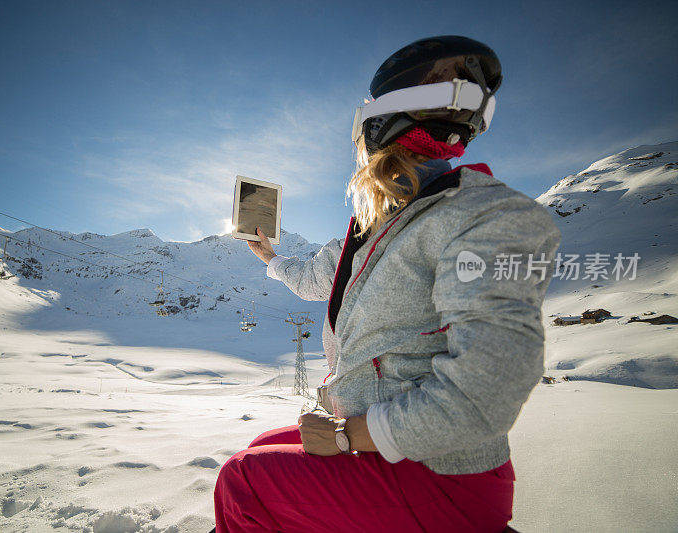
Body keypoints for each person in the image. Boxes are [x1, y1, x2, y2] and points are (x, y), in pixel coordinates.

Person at [213, 35, 561, 533]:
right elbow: (316, 280)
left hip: (442, 475)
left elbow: (485, 394)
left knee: (242, 481)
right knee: (260, 447)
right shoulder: (368, 230)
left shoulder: (482, 215)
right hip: (386, 452)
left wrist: (347, 436)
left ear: (374, 126)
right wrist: (270, 256)